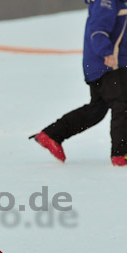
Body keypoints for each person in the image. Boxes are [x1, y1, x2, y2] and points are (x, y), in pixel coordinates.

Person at [31, 0, 127, 166]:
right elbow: (98, 29)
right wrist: (106, 53)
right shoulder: (107, 2)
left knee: (96, 109)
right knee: (123, 105)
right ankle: (121, 154)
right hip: (109, 64)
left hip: (101, 65)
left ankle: (52, 135)